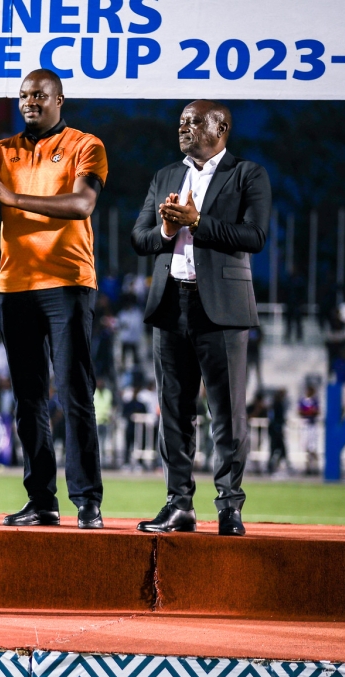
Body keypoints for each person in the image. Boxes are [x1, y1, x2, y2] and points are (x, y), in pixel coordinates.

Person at [0, 68, 107, 529]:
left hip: (67, 283)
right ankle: (42, 499)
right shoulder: (0, 151)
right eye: (25, 95)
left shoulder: (86, 146)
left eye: (40, 95)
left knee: (74, 393)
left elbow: (82, 204)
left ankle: (87, 500)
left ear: (59, 100)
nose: (30, 101)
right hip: (14, 286)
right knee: (28, 400)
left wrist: (12, 195)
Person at [131, 100, 270, 537]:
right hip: (171, 302)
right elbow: (139, 238)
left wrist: (199, 221)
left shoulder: (247, 174)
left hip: (223, 309)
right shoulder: (166, 176)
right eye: (181, 122)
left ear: (221, 127)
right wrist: (169, 232)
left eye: (193, 122)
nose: (184, 129)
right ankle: (179, 505)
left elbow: (255, 236)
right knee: (173, 410)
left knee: (226, 412)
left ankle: (230, 507)